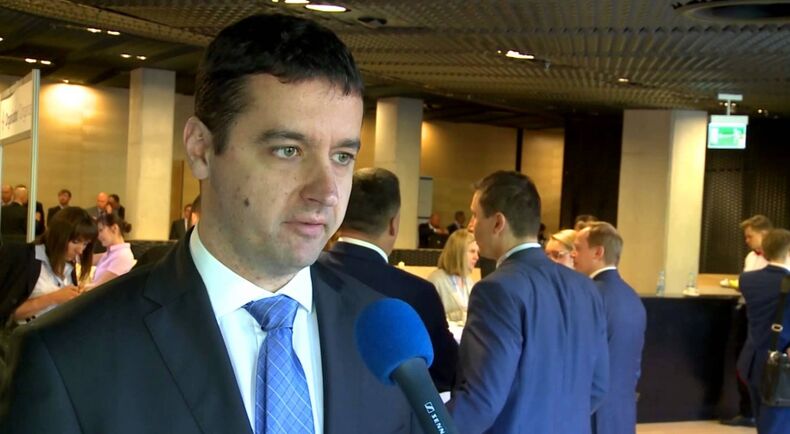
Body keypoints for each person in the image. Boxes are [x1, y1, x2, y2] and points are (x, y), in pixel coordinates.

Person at [1, 13, 421, 434]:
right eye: (288, 150)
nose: (326, 191)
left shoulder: (385, 335)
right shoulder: (68, 356)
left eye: (342, 157)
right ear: (201, 149)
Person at [447, 171, 609, 433]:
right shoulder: (586, 288)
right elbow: (598, 386)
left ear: (498, 223)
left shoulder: (496, 290)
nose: (471, 226)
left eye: (475, 215)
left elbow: (481, 400)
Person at [319, 167, 458, 391]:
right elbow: (445, 372)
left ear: (340, 214)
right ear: (394, 224)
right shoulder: (418, 293)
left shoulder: (307, 272)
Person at [573, 222, 646, 434]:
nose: (573, 254)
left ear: (598, 252)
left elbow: (580, 358)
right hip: (623, 410)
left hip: (592, 413)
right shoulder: (632, 296)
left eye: (578, 248)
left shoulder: (588, 295)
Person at [0, 207, 96, 326]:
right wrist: (53, 298)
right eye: (75, 242)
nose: (80, 250)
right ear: (59, 235)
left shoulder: (68, 265)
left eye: (85, 244)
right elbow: (7, 312)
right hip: (27, 334)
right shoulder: (25, 258)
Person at [736, 228, 790, 434]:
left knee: (763, 421)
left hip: (753, 361)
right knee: (779, 425)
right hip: (781, 366)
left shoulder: (747, 280)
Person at [723, 214, 775, 427]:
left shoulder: (781, 257)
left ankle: (763, 411)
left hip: (768, 317)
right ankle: (747, 411)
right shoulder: (750, 257)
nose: (746, 240)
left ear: (765, 234)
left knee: (764, 365)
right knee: (742, 362)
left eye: (750, 236)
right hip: (747, 312)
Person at [427, 228, 479, 324]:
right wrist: (460, 315)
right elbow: (430, 319)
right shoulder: (436, 281)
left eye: (477, 252)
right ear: (458, 253)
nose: (476, 257)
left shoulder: (469, 280)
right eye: (472, 251)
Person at [84, 213, 135, 290]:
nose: (98, 236)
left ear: (114, 228)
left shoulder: (122, 256)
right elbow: (85, 260)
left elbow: (98, 287)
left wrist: (80, 289)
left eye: (101, 230)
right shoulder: (110, 253)